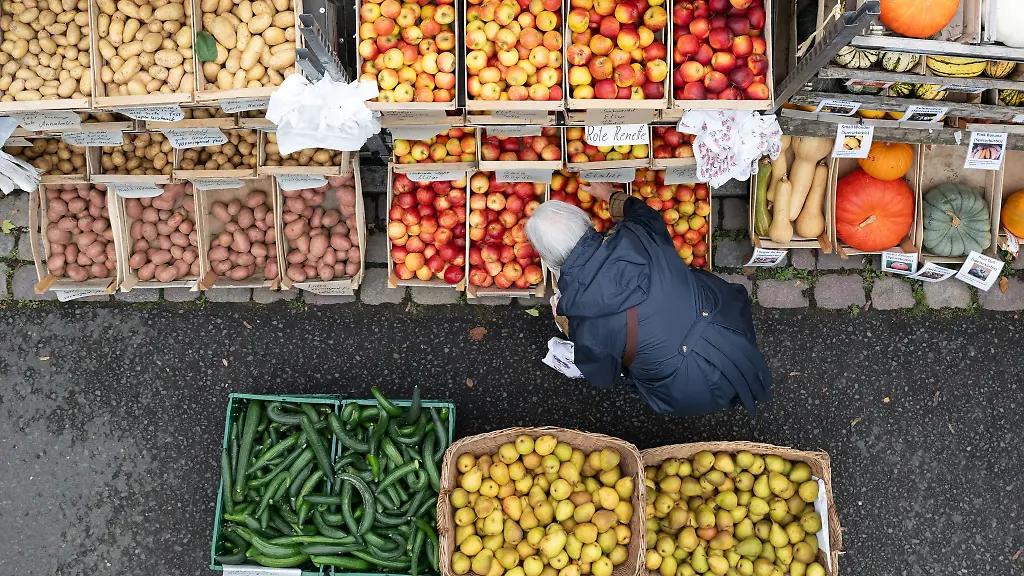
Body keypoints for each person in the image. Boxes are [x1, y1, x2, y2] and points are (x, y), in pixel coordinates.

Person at [525, 182, 772, 417]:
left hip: (685, 389)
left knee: (631, 361)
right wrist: (610, 195)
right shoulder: (639, 232)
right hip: (730, 327)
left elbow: (603, 375)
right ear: (586, 222)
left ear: (549, 261)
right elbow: (641, 211)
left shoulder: (585, 322)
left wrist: (569, 326)